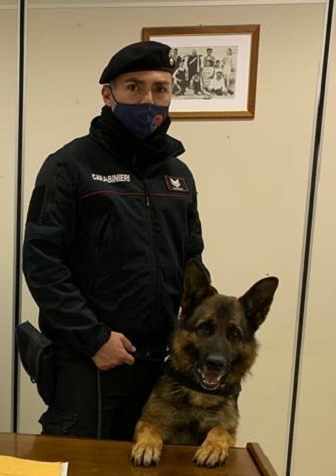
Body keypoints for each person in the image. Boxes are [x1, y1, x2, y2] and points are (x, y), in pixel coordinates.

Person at [22, 40, 204, 440]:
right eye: (134, 87)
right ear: (109, 95)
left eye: (160, 89)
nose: (149, 100)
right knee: (80, 473)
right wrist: (94, 339)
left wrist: (197, 335)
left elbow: (192, 262)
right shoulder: (69, 166)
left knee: (154, 470)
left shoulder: (179, 176)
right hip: (89, 361)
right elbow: (42, 263)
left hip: (160, 360)